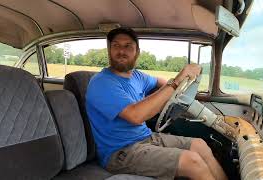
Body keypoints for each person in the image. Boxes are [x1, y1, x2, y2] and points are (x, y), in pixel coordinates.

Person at [86, 27, 227, 180]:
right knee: (192, 161)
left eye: (128, 46)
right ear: (109, 50)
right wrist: (176, 82)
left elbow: (160, 82)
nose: (121, 51)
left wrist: (177, 89)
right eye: (116, 46)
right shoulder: (101, 82)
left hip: (145, 138)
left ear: (137, 52)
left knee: (200, 145)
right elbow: (136, 115)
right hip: (120, 152)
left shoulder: (137, 76)